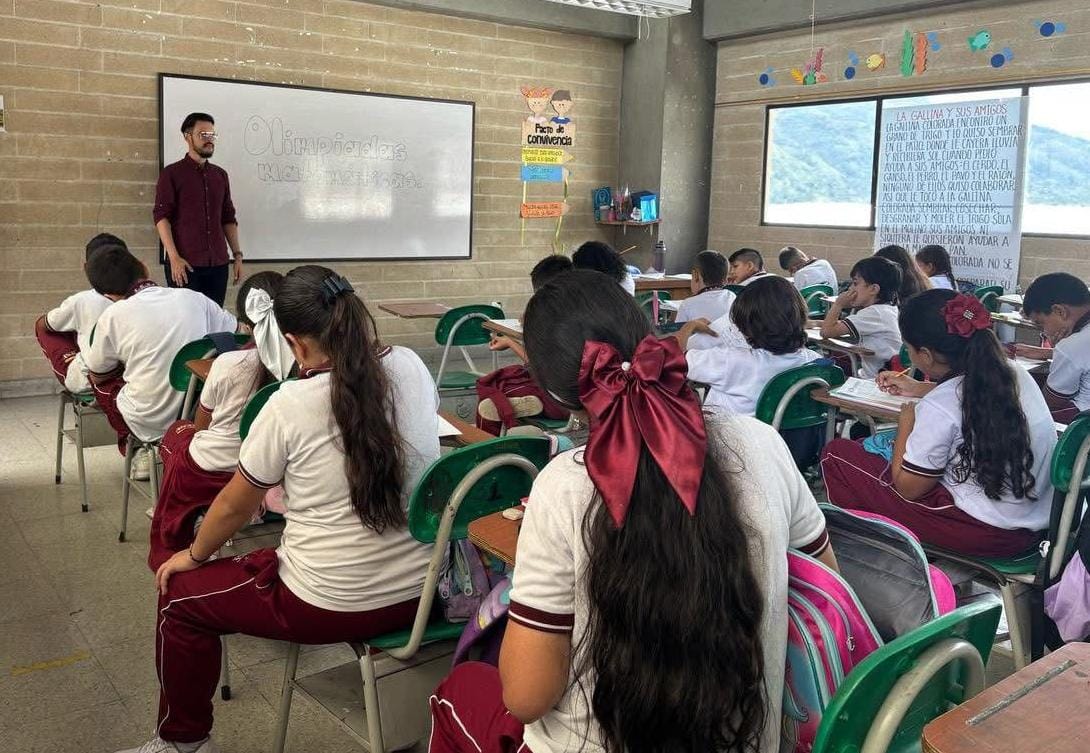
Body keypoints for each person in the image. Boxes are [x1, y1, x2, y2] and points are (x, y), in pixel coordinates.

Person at [428, 269, 835, 753]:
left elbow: (526, 698)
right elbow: (824, 584)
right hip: (750, 738)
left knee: (459, 692)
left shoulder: (564, 483)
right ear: (647, 338)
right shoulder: (761, 442)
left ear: (555, 393)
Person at [116, 266, 440, 753]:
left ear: (295, 342)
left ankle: (182, 741)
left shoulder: (289, 402)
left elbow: (230, 506)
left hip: (327, 603)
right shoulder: (411, 366)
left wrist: (194, 556)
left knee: (178, 595)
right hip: (424, 596)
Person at [820, 290, 1055, 558]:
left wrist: (906, 423)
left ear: (926, 355)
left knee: (838, 455)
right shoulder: (1015, 374)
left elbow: (908, 489)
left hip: (983, 531)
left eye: (908, 348)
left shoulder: (941, 406)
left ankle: (874, 558)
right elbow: (976, 398)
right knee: (868, 455)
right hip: (1035, 524)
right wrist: (920, 388)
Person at [148, 272, 294, 570]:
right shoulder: (303, 364)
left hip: (217, 468)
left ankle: (191, 522)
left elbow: (201, 427)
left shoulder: (228, 364)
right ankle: (257, 502)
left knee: (179, 433)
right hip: (277, 470)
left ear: (244, 321)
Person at [83, 245, 240, 479]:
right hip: (199, 413)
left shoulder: (112, 316)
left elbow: (98, 373)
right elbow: (238, 334)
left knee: (99, 382)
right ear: (144, 268)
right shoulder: (195, 298)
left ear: (109, 297)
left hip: (147, 418)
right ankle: (172, 442)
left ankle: (137, 448)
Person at [680, 276, 820, 415]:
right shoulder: (816, 363)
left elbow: (672, 360)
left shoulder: (730, 360)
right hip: (784, 437)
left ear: (748, 327)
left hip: (729, 435)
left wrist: (688, 327)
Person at [154, 112, 244, 306]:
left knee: (214, 322)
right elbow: (162, 217)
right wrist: (174, 257)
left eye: (212, 135)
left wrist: (237, 255)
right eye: (203, 135)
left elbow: (228, 217)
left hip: (218, 264)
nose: (209, 140)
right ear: (188, 137)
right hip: (185, 265)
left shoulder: (220, 175)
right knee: (188, 323)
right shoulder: (171, 174)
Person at [476, 255, 572, 432]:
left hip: (558, 394)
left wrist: (510, 343)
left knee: (491, 393)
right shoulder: (579, 307)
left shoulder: (552, 314)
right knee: (503, 380)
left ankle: (489, 452)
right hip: (578, 389)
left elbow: (539, 365)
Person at [34, 233, 124, 393]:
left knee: (44, 326)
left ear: (86, 268)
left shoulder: (82, 300)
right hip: (135, 376)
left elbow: (45, 324)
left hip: (92, 381)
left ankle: (74, 363)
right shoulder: (141, 297)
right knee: (76, 325)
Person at [1020, 272, 1090, 422]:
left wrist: (1060, 351)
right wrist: (1049, 353)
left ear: (1060, 311)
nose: (1044, 332)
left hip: (1083, 421)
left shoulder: (1071, 346)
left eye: (1040, 323)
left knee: (1023, 416)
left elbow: (1050, 402)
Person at [818, 256, 902, 378]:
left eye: (855, 283)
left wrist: (838, 304)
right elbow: (835, 326)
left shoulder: (874, 313)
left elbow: (826, 331)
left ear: (873, 289)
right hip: (883, 373)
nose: (850, 288)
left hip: (874, 380)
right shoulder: (887, 309)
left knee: (826, 369)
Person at [674, 250, 735, 324]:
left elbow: (680, 333)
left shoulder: (687, 305)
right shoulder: (732, 297)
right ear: (726, 279)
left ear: (695, 275)